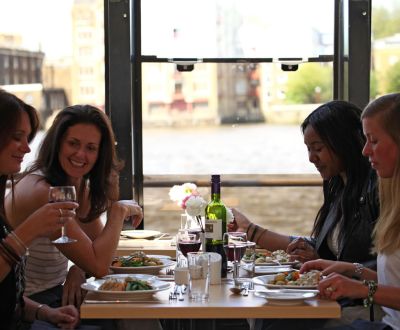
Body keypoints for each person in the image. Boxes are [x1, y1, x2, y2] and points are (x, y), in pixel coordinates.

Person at [4, 104, 143, 314]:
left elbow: (98, 252)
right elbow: (99, 266)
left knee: (131, 311)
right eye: (73, 143)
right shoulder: (42, 191)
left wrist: (77, 268)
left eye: (91, 148)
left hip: (53, 298)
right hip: (26, 305)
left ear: (100, 154)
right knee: (129, 313)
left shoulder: (75, 186)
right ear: (57, 144)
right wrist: (117, 213)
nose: (80, 154)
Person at [229, 100, 378, 266]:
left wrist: (323, 264)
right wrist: (249, 230)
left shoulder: (376, 190)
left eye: (318, 148)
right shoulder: (339, 188)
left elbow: (381, 267)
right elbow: (329, 249)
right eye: (309, 149)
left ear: (343, 143)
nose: (311, 158)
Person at [300, 92, 400, 330]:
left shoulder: (374, 193)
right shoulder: (391, 198)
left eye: (373, 141)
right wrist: (354, 270)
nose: (365, 151)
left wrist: (362, 288)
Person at [0, 89, 79, 329]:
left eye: (28, 137)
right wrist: (28, 231)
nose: (26, 148)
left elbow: (7, 295)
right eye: (17, 136)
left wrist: (46, 313)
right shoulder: (39, 187)